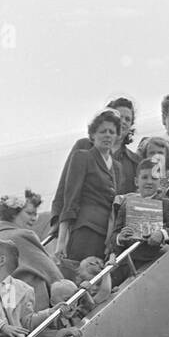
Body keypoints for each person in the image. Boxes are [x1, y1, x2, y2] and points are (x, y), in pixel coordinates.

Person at [52, 108, 122, 264]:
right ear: (92, 135)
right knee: (82, 276)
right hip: (86, 230)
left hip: (106, 235)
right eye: (103, 131)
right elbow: (71, 200)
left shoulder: (117, 167)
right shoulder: (82, 157)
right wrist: (61, 242)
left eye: (112, 132)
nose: (108, 135)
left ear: (117, 136)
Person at [0, 190, 65, 311]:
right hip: (36, 304)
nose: (34, 219)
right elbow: (50, 271)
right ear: (13, 213)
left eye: (35, 214)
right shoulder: (21, 236)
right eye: (29, 213)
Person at [108, 158, 169, 273]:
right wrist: (120, 238)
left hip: (153, 261)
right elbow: (114, 235)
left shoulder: (166, 204)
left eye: (154, 178)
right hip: (127, 262)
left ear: (160, 182)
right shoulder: (126, 204)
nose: (149, 182)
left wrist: (162, 234)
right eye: (144, 178)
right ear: (136, 181)